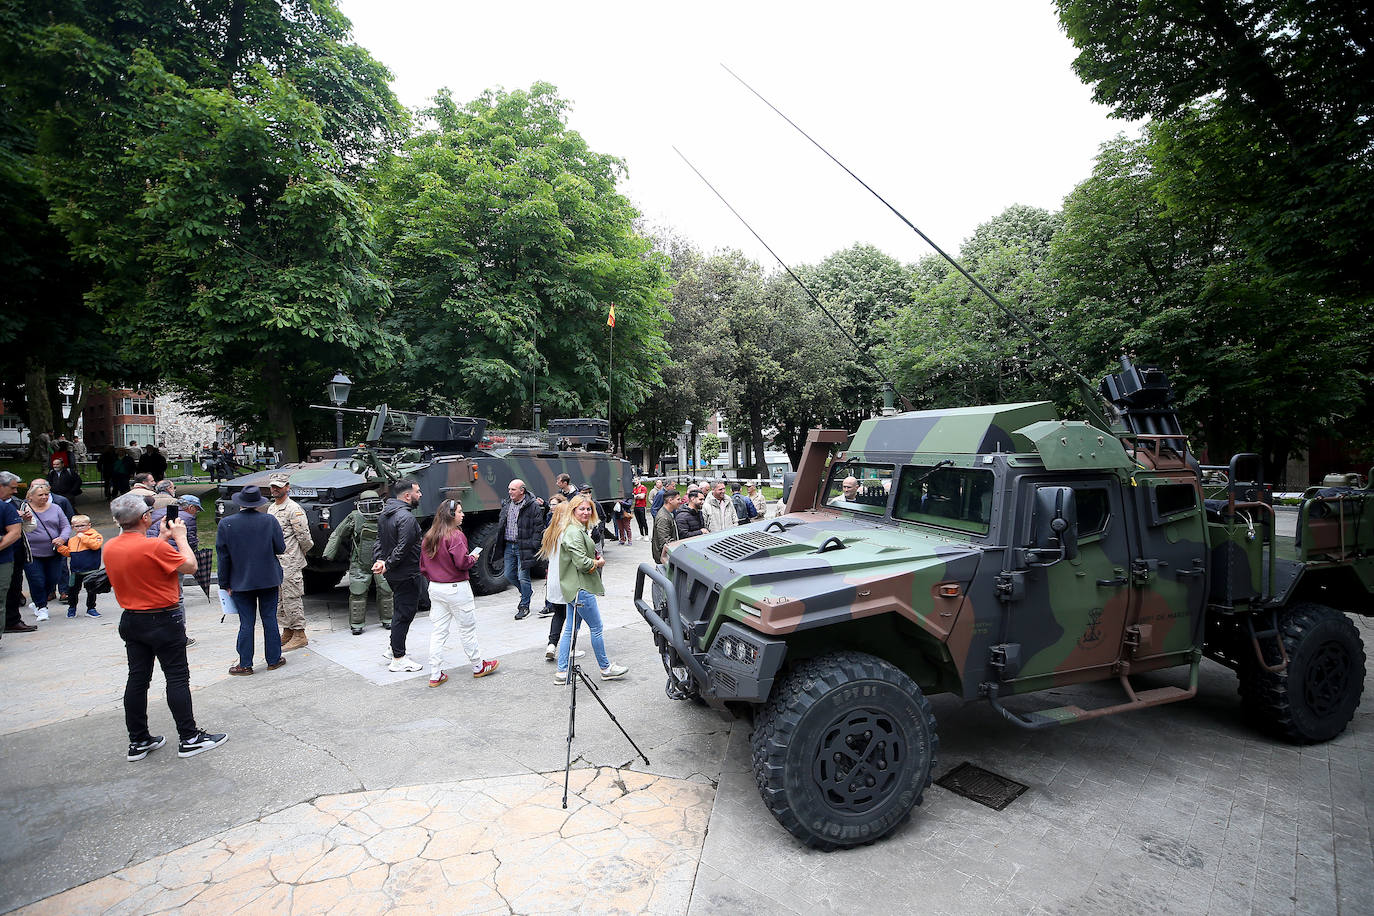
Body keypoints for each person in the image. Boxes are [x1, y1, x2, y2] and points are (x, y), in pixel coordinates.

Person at [105, 492, 226, 760]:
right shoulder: (153, 548)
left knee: (137, 679)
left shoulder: (111, 547)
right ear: (145, 517)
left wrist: (160, 538)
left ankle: (138, 740)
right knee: (177, 677)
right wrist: (180, 538)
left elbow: (143, 557)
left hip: (132, 618)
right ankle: (190, 737)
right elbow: (190, 565)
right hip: (162, 618)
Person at [420, 499, 498, 687]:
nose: (463, 515)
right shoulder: (455, 536)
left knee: (438, 631)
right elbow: (462, 563)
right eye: (460, 512)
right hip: (456, 588)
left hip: (436, 587)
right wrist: (472, 557)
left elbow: (423, 566)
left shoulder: (430, 535)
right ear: (451, 515)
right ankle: (478, 666)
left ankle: (435, 673)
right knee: (467, 630)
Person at [552, 495, 628, 684]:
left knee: (570, 629)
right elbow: (581, 562)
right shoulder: (573, 532)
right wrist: (598, 562)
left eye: (588, 509)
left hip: (574, 588)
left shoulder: (576, 530)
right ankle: (605, 668)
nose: (586, 512)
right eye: (581, 509)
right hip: (580, 588)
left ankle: (562, 672)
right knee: (596, 628)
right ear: (573, 511)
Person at [217, 485, 287, 676]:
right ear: (258, 503)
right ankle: (273, 659)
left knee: (246, 622)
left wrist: (224, 584)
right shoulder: (269, 520)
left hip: (240, 580)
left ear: (240, 502)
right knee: (269, 619)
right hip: (268, 578)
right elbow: (281, 548)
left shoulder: (226, 524)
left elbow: (223, 557)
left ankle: (245, 664)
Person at [372, 477, 425, 672]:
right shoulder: (407, 518)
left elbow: (379, 541)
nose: (420, 495)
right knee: (404, 613)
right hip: (406, 573)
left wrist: (380, 561)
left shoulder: (385, 514)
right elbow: (404, 547)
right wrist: (388, 563)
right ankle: (398, 658)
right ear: (407, 495)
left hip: (394, 573)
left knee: (400, 611)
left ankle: (392, 648)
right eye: (417, 491)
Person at [323, 489, 393, 635]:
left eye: (373, 505)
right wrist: (328, 553)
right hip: (362, 562)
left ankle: (388, 620)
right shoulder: (355, 517)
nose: (370, 508)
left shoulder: (385, 516)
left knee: (386, 591)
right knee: (358, 592)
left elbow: (337, 534)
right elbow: (338, 534)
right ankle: (357, 623)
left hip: (380, 561)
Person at [268, 473, 314, 651]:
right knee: (280, 598)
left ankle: (299, 634)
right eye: (273, 486)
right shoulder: (272, 508)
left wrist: (297, 554)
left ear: (287, 487)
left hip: (291, 560)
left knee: (292, 597)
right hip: (276, 561)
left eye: (279, 486)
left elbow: (304, 537)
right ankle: (287, 630)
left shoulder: (293, 509)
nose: (275, 489)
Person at [494, 478, 544, 620]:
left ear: (522, 491)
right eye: (509, 489)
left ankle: (524, 605)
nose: (510, 492)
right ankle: (526, 592)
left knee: (523, 576)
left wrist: (534, 545)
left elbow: (538, 527)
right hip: (509, 545)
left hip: (524, 546)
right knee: (509, 574)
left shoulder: (532, 505)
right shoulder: (507, 504)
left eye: (513, 489)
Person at [23, 479, 70, 621]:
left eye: (46, 494)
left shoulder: (56, 508)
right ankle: (41, 607)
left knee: (52, 579)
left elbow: (66, 526)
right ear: (30, 497)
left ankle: (38, 601)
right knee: (37, 580)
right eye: (40, 495)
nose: (44, 497)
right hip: (32, 553)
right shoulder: (23, 508)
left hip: (53, 551)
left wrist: (62, 538)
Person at [0, 471, 36, 634]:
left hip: (14, 553)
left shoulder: (18, 503)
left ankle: (12, 620)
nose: (15, 491)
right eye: (13, 488)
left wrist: (26, 519)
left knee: (13, 588)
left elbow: (28, 528)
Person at [56, 514, 102, 617]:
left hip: (91, 570)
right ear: (73, 527)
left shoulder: (95, 536)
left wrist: (84, 538)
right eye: (77, 526)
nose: (80, 528)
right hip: (76, 570)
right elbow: (69, 553)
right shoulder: (72, 540)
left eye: (83, 525)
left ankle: (91, 608)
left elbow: (96, 545)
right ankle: (72, 608)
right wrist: (60, 547)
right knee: (73, 591)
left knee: (91, 590)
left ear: (89, 525)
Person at [651, 487, 683, 564]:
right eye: (678, 499)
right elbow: (665, 542)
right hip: (664, 559)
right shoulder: (663, 517)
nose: (680, 502)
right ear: (670, 500)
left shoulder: (669, 513)